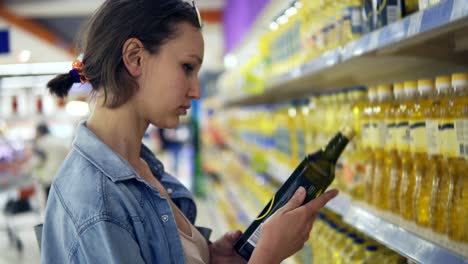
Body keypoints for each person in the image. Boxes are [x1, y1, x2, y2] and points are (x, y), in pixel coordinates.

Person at [42, 0, 339, 263]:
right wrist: (266, 256)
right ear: (135, 58)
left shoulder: (143, 168)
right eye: (186, 67)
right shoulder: (98, 204)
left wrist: (207, 255)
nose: (196, 91)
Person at [27, 123, 69, 202]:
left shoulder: (41, 142)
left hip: (49, 178)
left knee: (51, 202)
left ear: (39, 132)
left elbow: (38, 160)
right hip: (63, 175)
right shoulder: (59, 140)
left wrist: (27, 169)